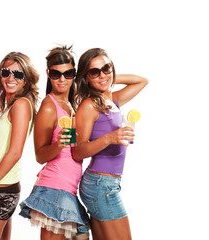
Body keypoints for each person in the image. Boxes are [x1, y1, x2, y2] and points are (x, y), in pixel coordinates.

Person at [73, 48, 148, 240]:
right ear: (86, 77)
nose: (102, 75)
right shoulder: (88, 106)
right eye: (94, 72)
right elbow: (78, 152)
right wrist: (110, 138)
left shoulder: (111, 100)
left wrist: (109, 77)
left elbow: (142, 81)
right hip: (100, 185)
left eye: (106, 68)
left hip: (108, 184)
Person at [19, 45, 90, 240]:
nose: (62, 79)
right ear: (48, 74)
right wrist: (58, 144)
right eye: (56, 74)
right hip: (54, 188)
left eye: (68, 73)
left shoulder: (73, 104)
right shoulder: (49, 107)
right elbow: (40, 155)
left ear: (74, 74)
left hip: (70, 190)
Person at [0, 52, 39, 240]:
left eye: (18, 74)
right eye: (6, 72)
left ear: (26, 80)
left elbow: (15, 152)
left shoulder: (21, 105)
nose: (10, 78)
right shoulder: (10, 107)